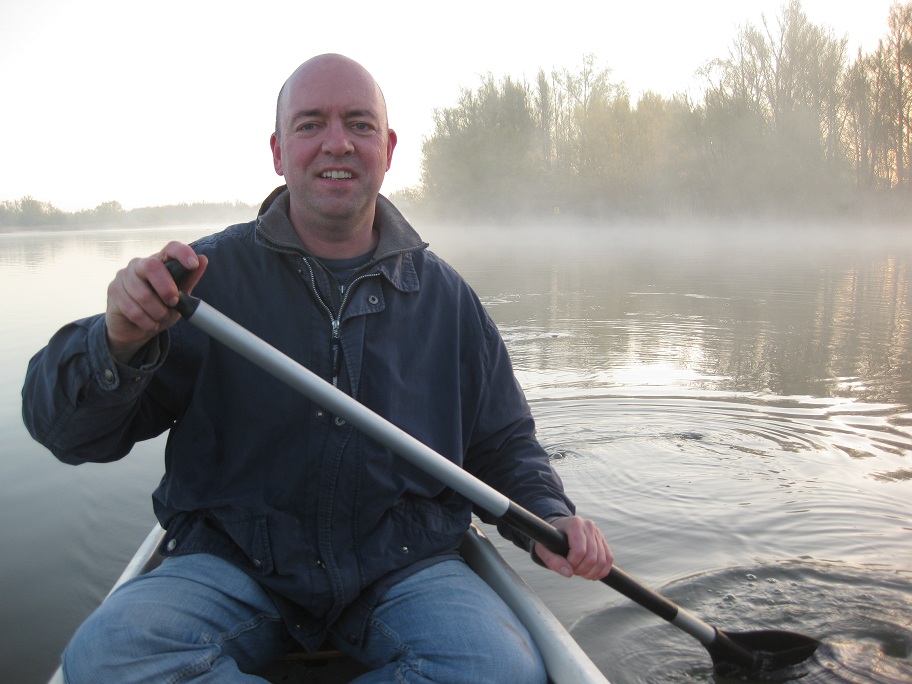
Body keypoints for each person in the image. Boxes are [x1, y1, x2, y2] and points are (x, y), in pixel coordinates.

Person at [22, 54, 613, 683]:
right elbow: (65, 433)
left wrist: (547, 515)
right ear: (278, 151)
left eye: (359, 124)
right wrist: (117, 341)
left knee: (497, 669)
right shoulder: (199, 283)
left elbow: (503, 443)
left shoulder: (448, 300)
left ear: (387, 149)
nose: (337, 142)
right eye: (310, 125)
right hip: (233, 559)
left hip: (403, 562)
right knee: (110, 658)